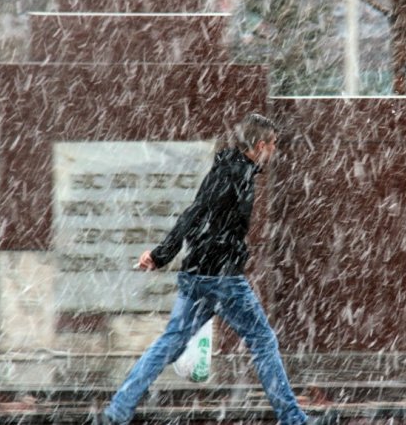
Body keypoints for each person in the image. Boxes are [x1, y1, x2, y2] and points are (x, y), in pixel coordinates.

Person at [98, 114, 333, 425]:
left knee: (172, 340)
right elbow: (194, 213)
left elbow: (196, 214)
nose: (274, 151)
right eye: (273, 145)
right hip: (222, 277)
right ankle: (293, 420)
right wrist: (161, 254)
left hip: (198, 273)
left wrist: (164, 255)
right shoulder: (233, 174)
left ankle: (117, 412)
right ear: (260, 145)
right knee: (262, 341)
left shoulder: (233, 169)